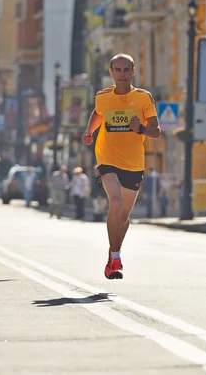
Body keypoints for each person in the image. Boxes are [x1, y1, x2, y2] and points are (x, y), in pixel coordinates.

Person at [82, 53, 161, 279]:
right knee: (114, 203)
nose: (122, 74)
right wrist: (89, 132)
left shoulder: (144, 98)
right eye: (118, 70)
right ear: (111, 73)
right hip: (107, 158)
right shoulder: (103, 97)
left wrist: (141, 129)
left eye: (127, 70)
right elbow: (98, 114)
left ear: (133, 72)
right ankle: (116, 258)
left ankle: (112, 254)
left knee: (124, 216)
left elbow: (156, 131)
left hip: (134, 163)